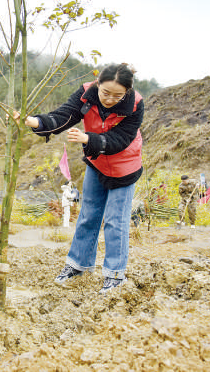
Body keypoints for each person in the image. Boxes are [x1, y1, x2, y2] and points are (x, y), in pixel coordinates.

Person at [19, 63, 143, 294]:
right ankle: (78, 265)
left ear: (127, 92)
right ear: (97, 85)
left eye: (118, 95)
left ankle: (115, 275)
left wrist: (88, 138)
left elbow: (121, 139)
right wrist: (34, 122)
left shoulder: (135, 104)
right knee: (88, 216)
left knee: (116, 221)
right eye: (105, 93)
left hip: (125, 166)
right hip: (97, 163)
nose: (109, 99)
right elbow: (64, 116)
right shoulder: (86, 94)